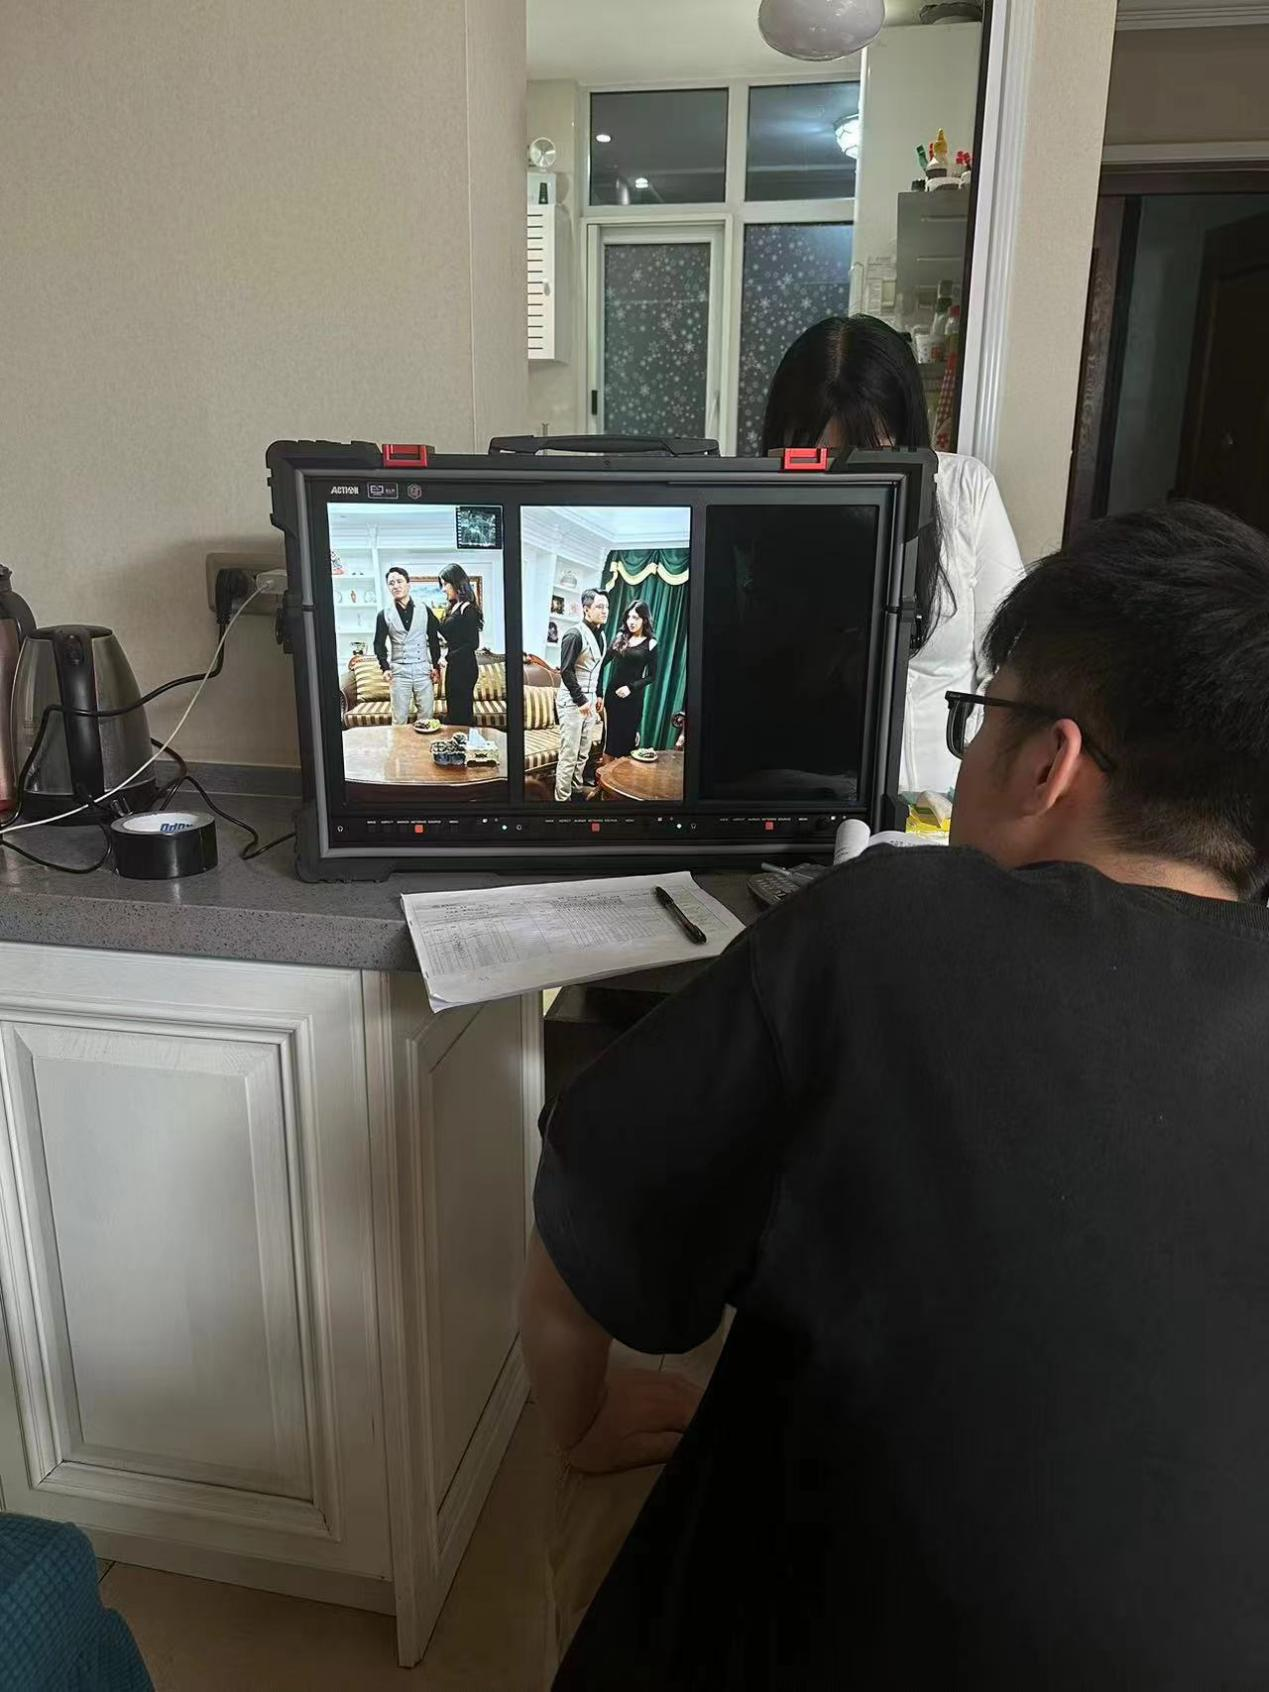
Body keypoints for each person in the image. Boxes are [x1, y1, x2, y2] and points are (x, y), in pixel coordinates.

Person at [522, 501, 1269, 1689]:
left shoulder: (888, 928)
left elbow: (582, 1234)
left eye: (978, 718)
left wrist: (579, 1424)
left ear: (1050, 761)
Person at [763, 314, 1025, 794]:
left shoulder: (965, 491)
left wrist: (978, 791)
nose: (841, 482)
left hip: (941, 800)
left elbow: (1010, 665)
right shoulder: (763, 513)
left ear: (907, 436)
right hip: (812, 792)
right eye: (818, 455)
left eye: (865, 454)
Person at [555, 589, 609, 803]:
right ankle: (562, 799)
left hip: (590, 700)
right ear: (586, 609)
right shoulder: (574, 635)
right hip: (572, 701)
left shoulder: (601, 635)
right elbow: (566, 670)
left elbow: (599, 667)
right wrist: (581, 700)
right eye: (599, 607)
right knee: (569, 754)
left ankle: (576, 790)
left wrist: (599, 694)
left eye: (606, 607)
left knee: (583, 752)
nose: (605, 611)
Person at [374, 565, 437, 727]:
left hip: (423, 670)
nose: (395, 586)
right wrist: (385, 667)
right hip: (399, 672)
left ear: (408, 584)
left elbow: (434, 639)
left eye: (399, 581)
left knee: (427, 718)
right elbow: (379, 644)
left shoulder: (425, 610)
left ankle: (424, 745)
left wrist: (436, 666)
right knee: (399, 720)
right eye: (391, 583)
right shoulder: (384, 614)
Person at [601, 601, 658, 759]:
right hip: (613, 696)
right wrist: (598, 692)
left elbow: (652, 676)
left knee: (625, 744)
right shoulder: (620, 638)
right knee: (609, 743)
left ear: (644, 620)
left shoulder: (651, 643)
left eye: (636, 618)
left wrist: (630, 688)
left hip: (633, 700)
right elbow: (601, 664)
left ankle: (619, 775)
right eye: (629, 617)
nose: (631, 621)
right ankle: (603, 774)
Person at [434, 562, 482, 729]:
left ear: (456, 583)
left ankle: (465, 741)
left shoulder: (468, 609)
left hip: (465, 668)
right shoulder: (454, 607)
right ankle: (456, 741)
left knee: (461, 714)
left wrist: (447, 657)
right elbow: (449, 635)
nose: (443, 589)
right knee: (454, 711)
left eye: (445, 584)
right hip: (455, 667)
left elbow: (473, 644)